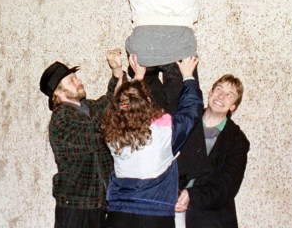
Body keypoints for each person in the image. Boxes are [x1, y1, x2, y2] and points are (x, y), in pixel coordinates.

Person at [101, 55, 203, 227]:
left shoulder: (112, 135)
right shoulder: (163, 133)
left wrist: (138, 77)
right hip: (154, 216)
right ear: (148, 102)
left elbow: (123, 104)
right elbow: (190, 111)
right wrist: (188, 76)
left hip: (118, 215)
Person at [39, 49, 124, 228]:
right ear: (58, 93)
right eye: (71, 80)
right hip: (76, 206)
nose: (78, 81)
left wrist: (117, 71)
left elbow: (109, 101)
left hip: (97, 203)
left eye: (76, 77)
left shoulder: (87, 107)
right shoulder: (61, 118)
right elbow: (96, 134)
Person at [175, 75, 250, 228]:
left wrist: (192, 195)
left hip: (209, 215)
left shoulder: (237, 141)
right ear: (209, 92)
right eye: (219, 89)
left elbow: (227, 186)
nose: (221, 96)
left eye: (229, 95)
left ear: (233, 106)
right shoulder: (185, 121)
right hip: (171, 207)